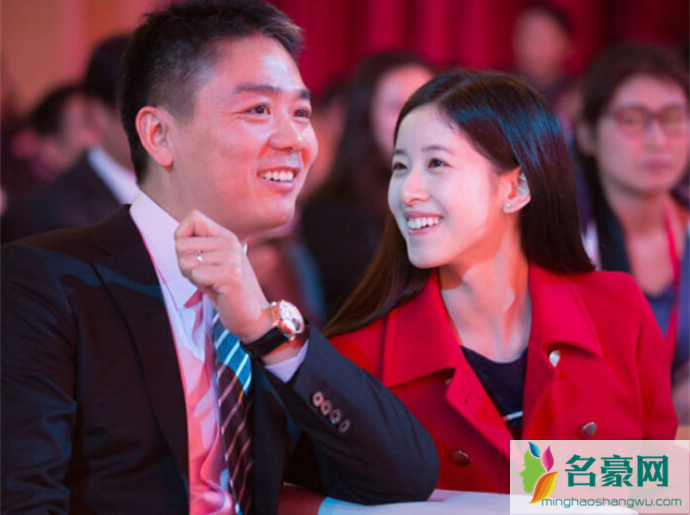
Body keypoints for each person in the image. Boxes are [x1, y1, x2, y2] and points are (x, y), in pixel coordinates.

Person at [1, 1, 438, 514]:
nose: (295, 140)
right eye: (258, 110)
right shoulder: (44, 283)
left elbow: (403, 476)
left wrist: (269, 333)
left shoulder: (260, 314)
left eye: (300, 112)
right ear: (159, 135)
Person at [323, 70, 677, 493]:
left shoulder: (616, 309)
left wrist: (532, 493)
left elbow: (660, 486)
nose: (407, 191)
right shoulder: (357, 357)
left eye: (437, 163)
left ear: (517, 188)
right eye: (400, 166)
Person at [574, 43, 690, 432]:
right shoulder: (563, 245)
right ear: (587, 135)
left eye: (673, 117)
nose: (658, 138)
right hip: (595, 448)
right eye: (633, 119)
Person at [302, 51, 435, 319]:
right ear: (366, 117)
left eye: (427, 105)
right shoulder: (331, 211)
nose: (415, 120)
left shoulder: (450, 194)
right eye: (397, 107)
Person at [1, 35, 137, 242]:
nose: (158, 126)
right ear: (100, 113)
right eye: (142, 113)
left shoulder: (177, 186)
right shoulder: (51, 212)